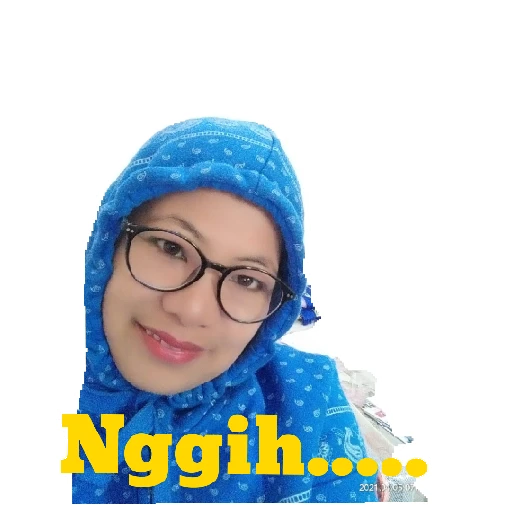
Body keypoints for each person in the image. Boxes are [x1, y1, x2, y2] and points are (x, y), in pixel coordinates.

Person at [73, 117, 379, 503]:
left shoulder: (309, 407)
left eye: (247, 279)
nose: (192, 310)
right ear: (110, 241)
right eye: (171, 248)